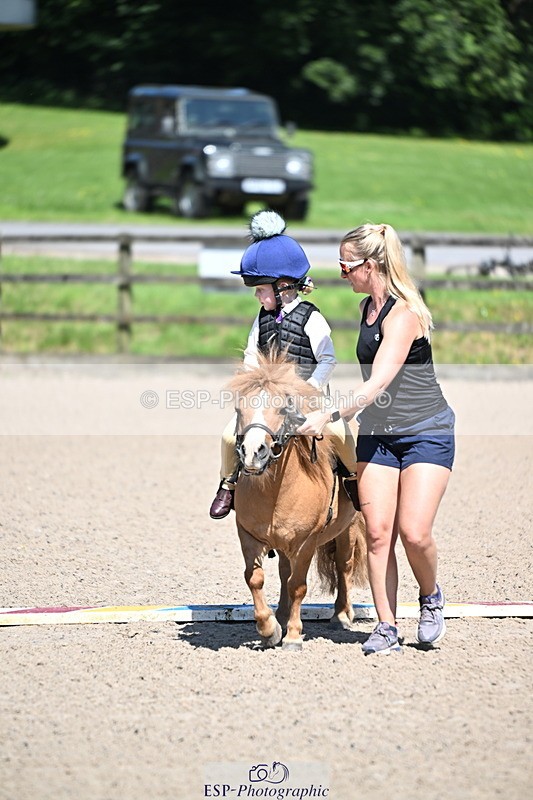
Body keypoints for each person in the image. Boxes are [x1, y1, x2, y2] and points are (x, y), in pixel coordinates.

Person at [298, 222, 455, 655]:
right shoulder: (367, 308)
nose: (341, 273)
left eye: (346, 266)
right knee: (379, 534)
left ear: (371, 264)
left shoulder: (404, 314)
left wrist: (329, 414)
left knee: (414, 532)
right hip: (379, 435)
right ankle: (386, 625)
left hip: (426, 431)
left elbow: (377, 385)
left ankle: (430, 597)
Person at [209, 209, 360, 519]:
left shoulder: (311, 317)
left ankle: (353, 480)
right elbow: (251, 354)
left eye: (261, 290)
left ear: (283, 287)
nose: (257, 297)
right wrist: (250, 385)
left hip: (308, 398)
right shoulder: (262, 318)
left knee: (339, 432)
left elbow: (328, 358)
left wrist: (311, 389)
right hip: (270, 400)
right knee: (228, 435)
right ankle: (228, 484)